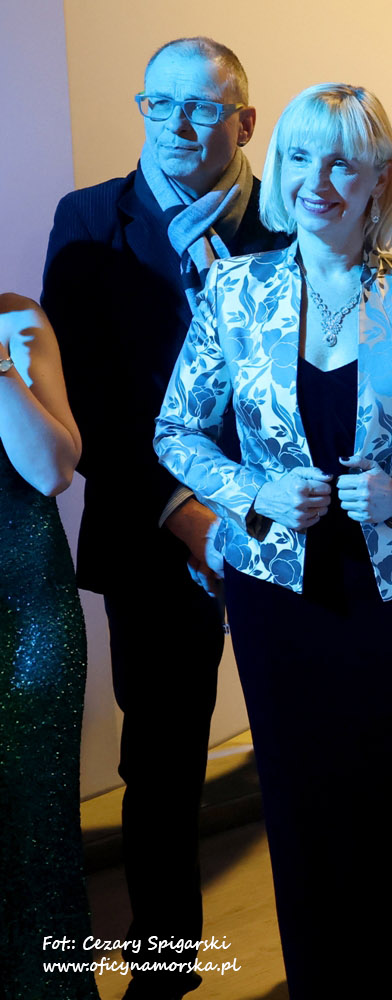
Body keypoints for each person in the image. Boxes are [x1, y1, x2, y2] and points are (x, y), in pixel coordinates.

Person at [153, 82, 392, 997]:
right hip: (278, 599)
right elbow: (176, 432)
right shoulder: (234, 291)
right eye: (300, 157)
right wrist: (254, 490)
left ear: (379, 177)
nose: (317, 180)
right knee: (302, 820)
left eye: (343, 161)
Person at [40, 36, 289, 1000]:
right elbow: (89, 396)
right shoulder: (90, 221)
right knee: (161, 762)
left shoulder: (288, 217)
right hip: (153, 534)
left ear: (245, 121)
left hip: (282, 528)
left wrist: (261, 508)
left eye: (202, 107)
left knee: (303, 745)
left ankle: (325, 952)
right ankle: (165, 965)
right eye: (159, 104)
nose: (177, 125)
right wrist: (184, 513)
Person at [0, 295, 95, 1000]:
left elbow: (53, 471)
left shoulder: (17, 321)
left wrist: (1, 369)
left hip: (30, 614)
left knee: (37, 831)